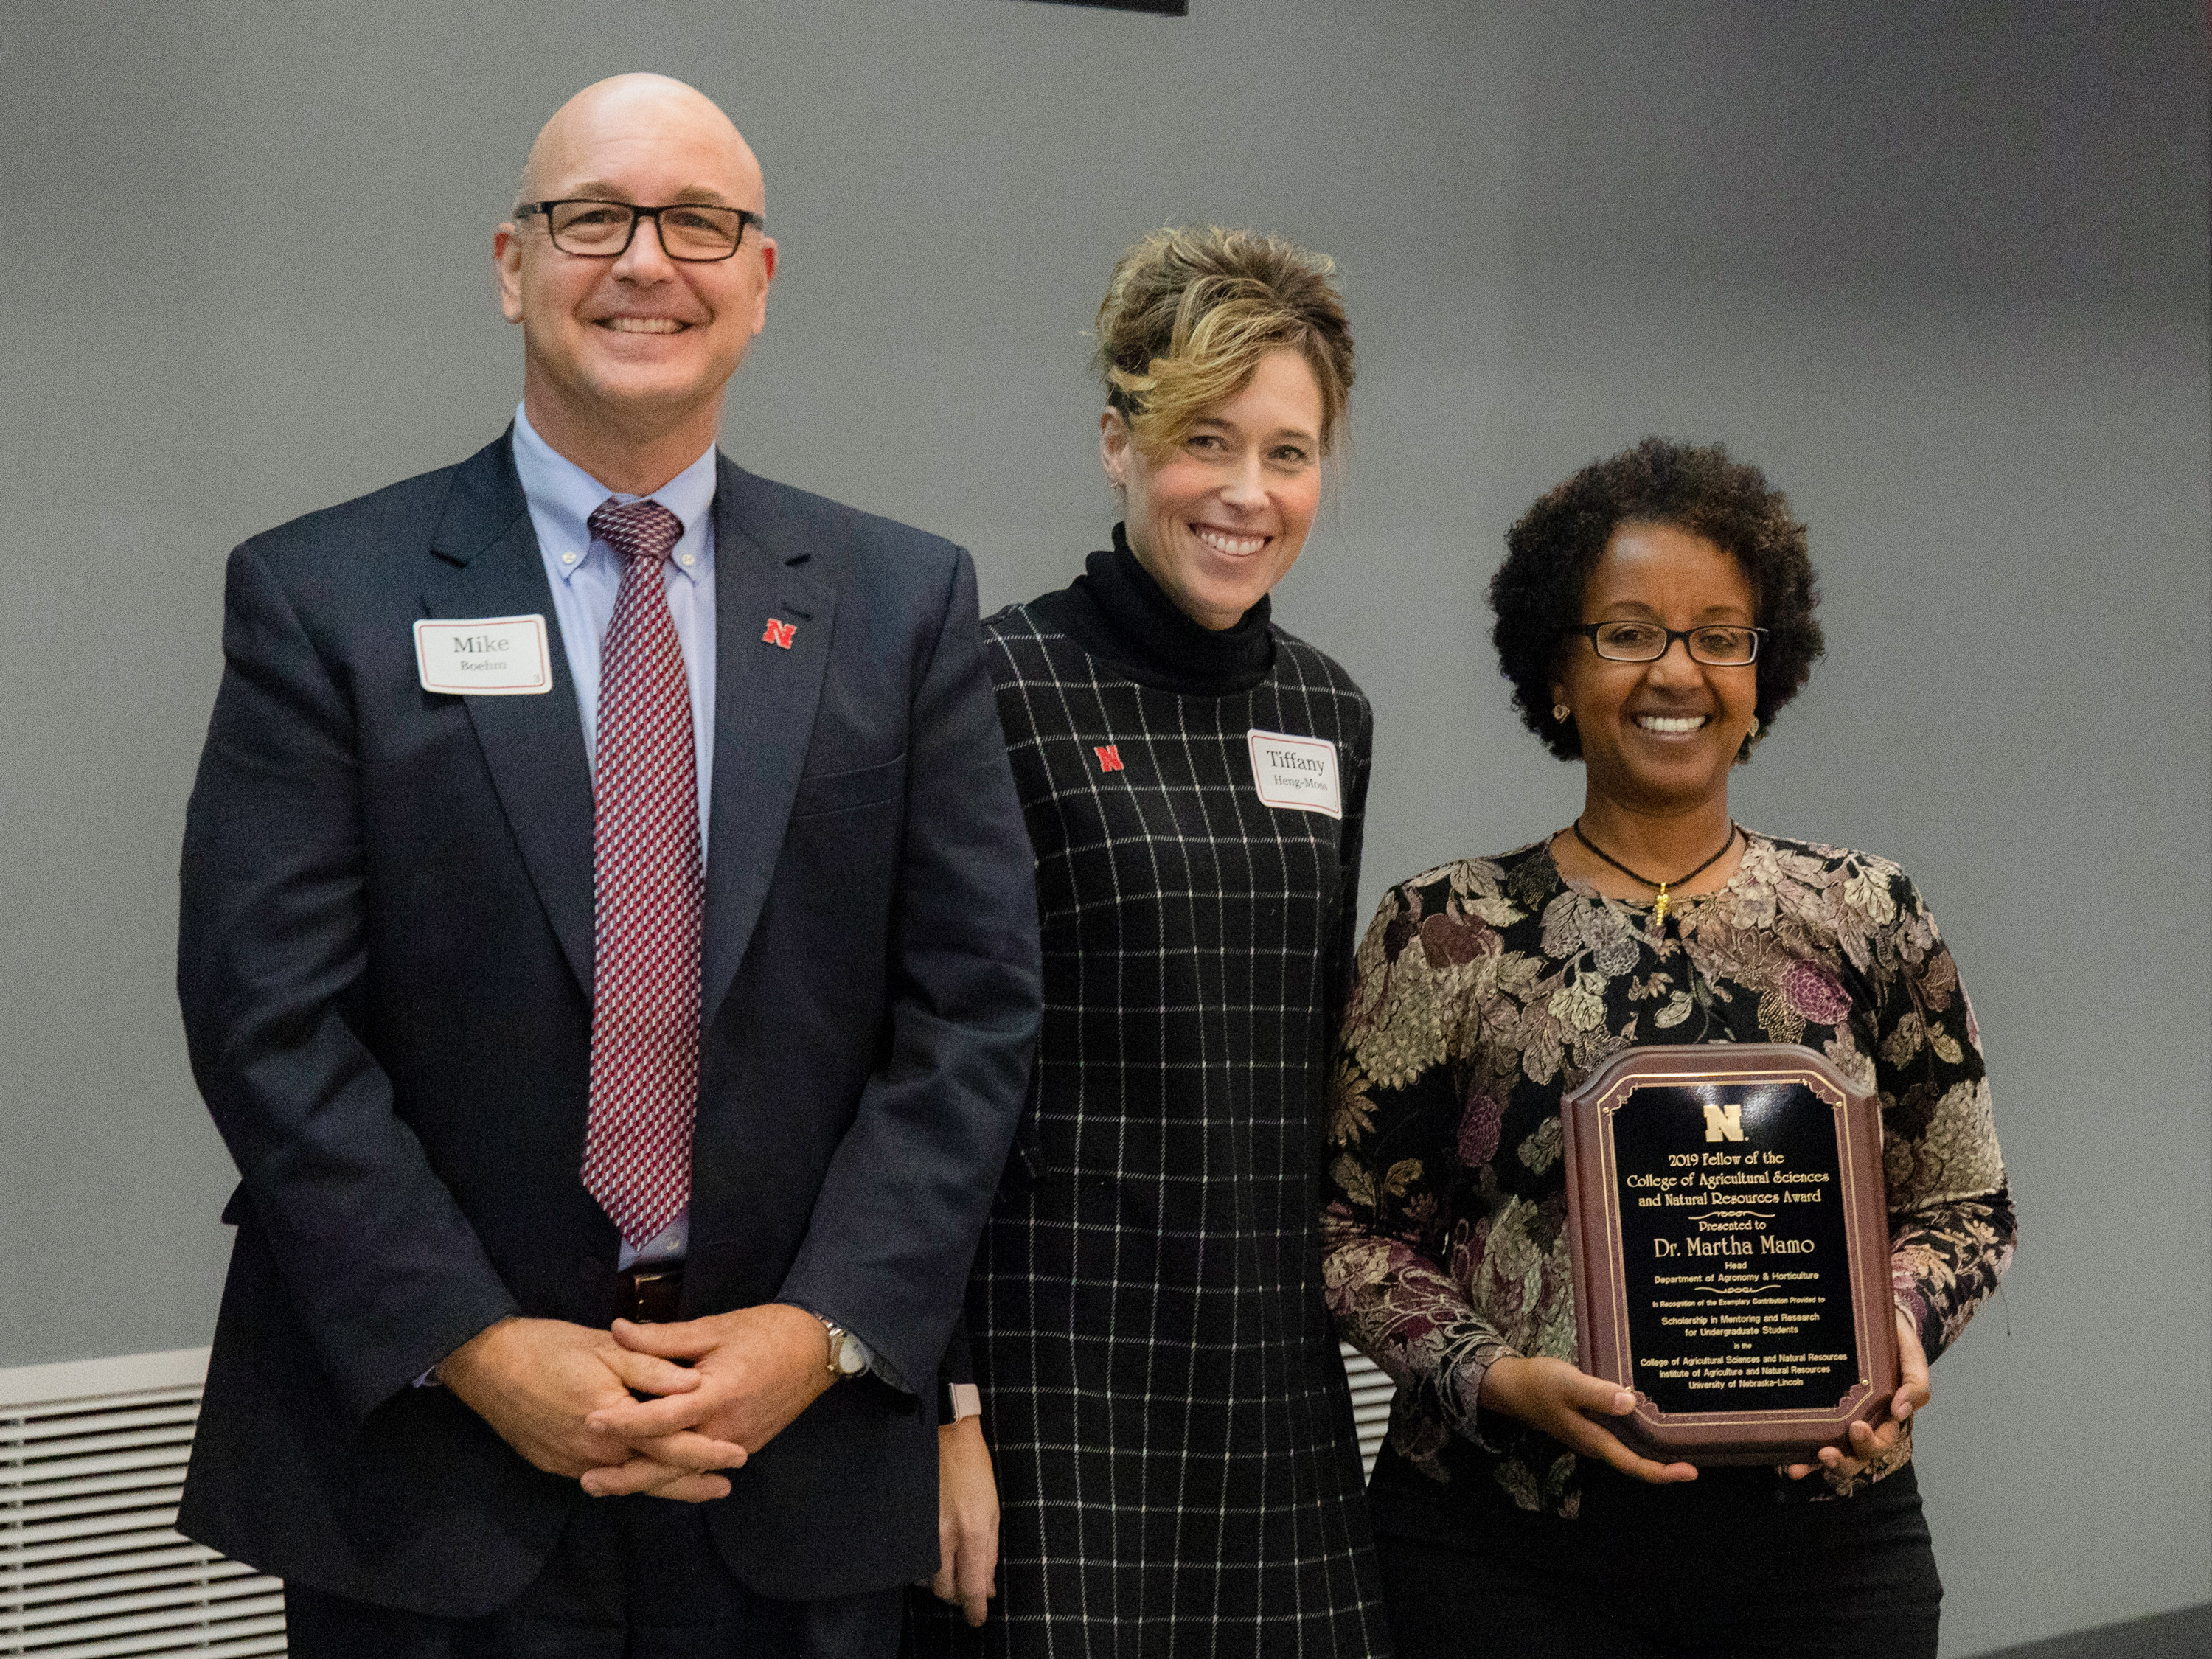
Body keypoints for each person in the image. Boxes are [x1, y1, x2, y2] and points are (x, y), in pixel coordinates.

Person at [175, 73, 1041, 1659]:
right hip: (435, 1475)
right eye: (594, 218)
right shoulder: (323, 598)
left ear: (760, 281)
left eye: (699, 222)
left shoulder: (903, 604)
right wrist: (481, 1344)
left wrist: (820, 1331)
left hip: (782, 1460)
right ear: (513, 263)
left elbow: (974, 1011)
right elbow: (266, 1020)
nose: (648, 260)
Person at [1322, 437, 2016, 1658]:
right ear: (1556, 672)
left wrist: (1894, 1329)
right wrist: (1493, 1375)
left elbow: (1965, 1203)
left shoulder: (1869, 912)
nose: (1676, 671)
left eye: (1719, 635)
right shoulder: (1446, 929)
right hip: (1505, 1550)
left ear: (1763, 673)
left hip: (1825, 1554)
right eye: (1628, 632)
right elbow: (1346, 1232)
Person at [908, 227, 1389, 1656]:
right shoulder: (993, 686)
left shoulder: (1329, 714)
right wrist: (948, 1416)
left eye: (1289, 452)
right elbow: (922, 1081)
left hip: (1270, 1385)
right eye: (1203, 440)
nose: (1247, 493)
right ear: (1118, 442)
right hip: (1061, 1382)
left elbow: (1305, 1064)